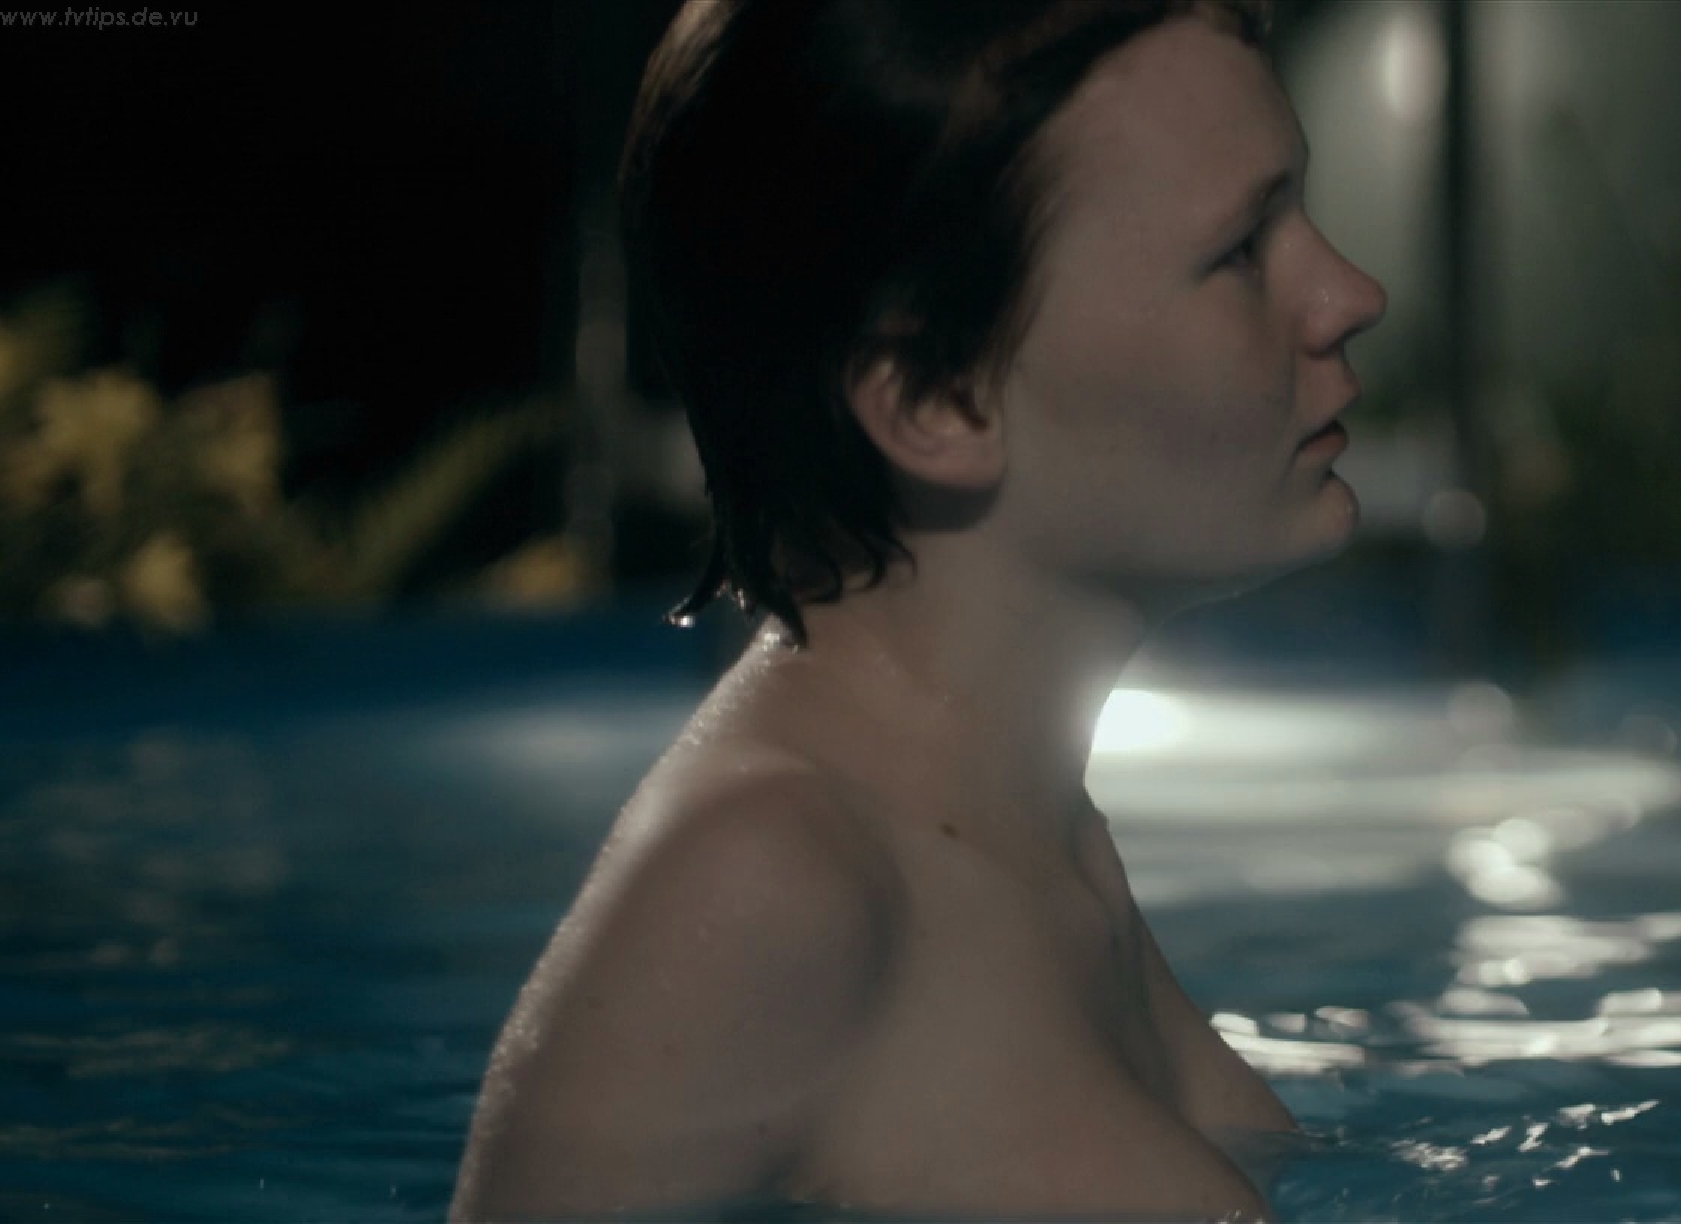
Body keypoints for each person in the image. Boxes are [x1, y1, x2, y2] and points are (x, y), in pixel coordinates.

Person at [449, 0, 1385, 1217]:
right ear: (938, 398)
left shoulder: (1019, 831)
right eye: (1242, 251)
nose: (1349, 294)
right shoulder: (768, 884)